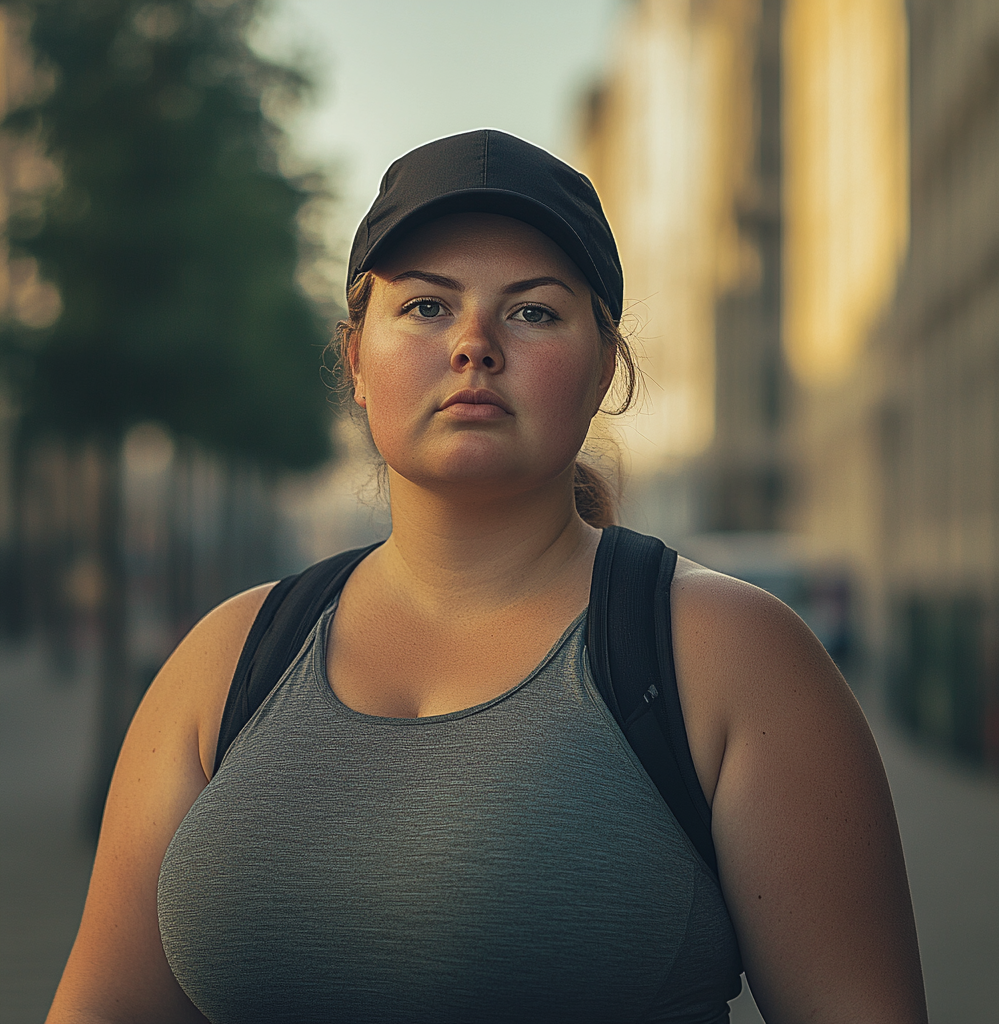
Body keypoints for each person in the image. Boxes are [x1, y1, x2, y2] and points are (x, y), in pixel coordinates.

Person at [46, 130, 928, 1024]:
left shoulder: (732, 657)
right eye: (427, 307)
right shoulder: (229, 658)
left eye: (534, 312)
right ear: (355, 360)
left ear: (604, 373)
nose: (474, 344)